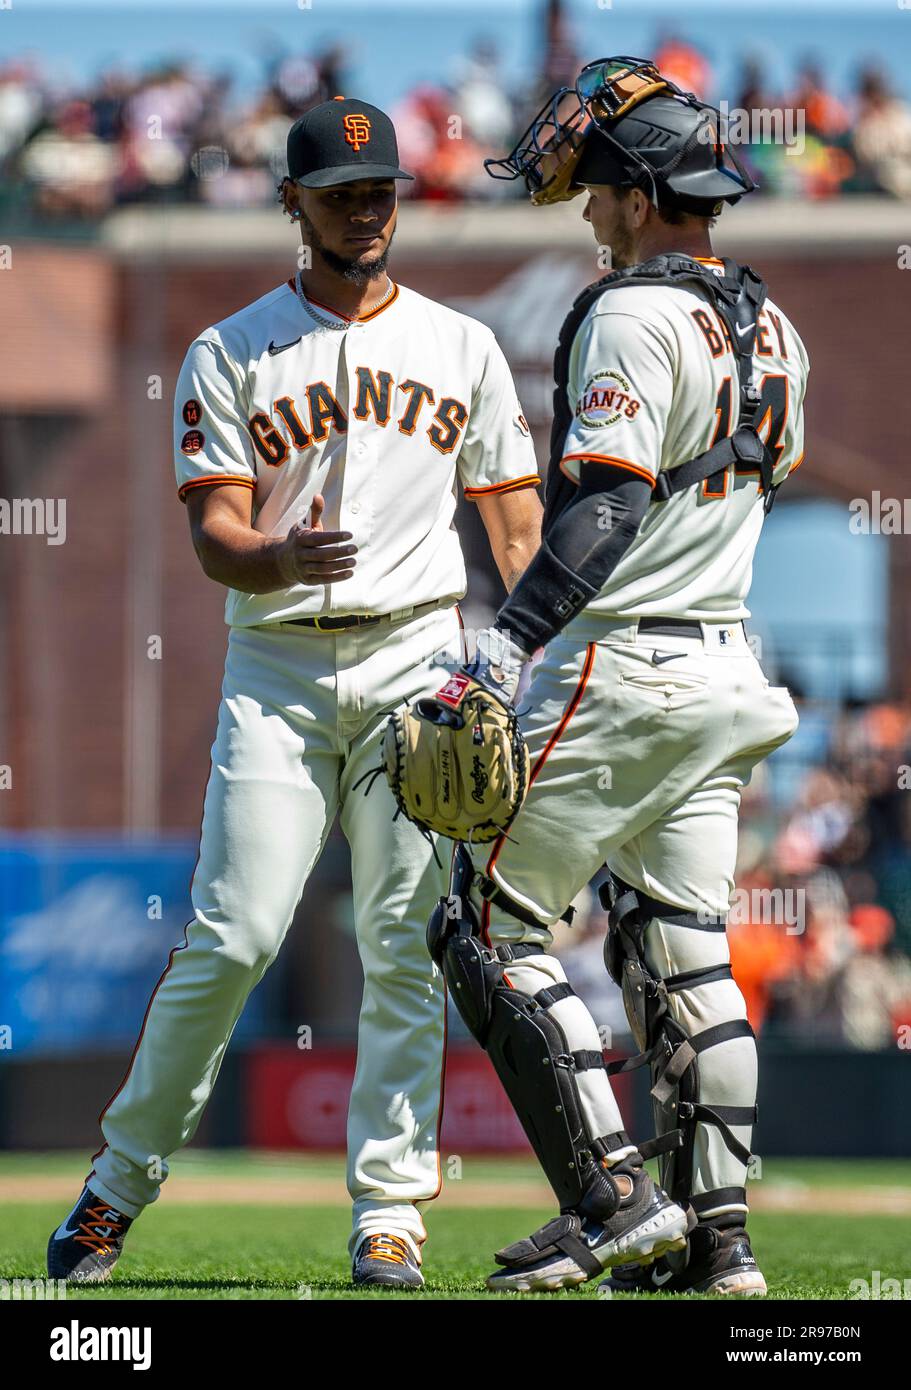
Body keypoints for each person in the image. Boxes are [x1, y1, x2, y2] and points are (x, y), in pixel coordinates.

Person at [47, 97, 542, 1291]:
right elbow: (217, 535)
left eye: (381, 193)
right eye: (342, 193)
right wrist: (275, 558)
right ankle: (117, 1184)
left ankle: (388, 1214)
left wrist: (532, 669)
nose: (366, 210)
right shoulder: (230, 348)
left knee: (403, 942)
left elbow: (515, 526)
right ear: (293, 203)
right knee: (234, 934)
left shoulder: (461, 344)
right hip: (274, 661)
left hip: (418, 661)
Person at [429, 56, 808, 1293]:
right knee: (682, 947)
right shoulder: (776, 327)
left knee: (479, 918)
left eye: (598, 187)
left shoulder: (631, 312)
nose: (589, 208)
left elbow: (601, 508)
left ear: (643, 193)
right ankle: (722, 1241)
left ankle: (608, 1195)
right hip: (725, 673)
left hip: (623, 661)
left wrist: (504, 639)